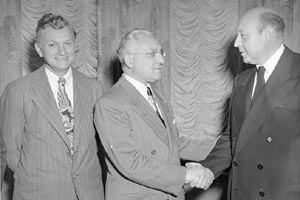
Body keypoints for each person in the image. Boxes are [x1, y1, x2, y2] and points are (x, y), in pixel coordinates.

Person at [194, 7, 300, 200]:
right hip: (242, 191)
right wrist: (205, 168)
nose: (236, 44)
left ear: (267, 35)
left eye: (243, 36)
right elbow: (233, 138)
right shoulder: (242, 81)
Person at [94, 29, 214, 200]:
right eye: (152, 54)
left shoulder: (158, 97)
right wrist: (187, 174)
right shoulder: (110, 103)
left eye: (160, 52)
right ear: (129, 60)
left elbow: (173, 144)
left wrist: (224, 147)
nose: (161, 59)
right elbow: (131, 162)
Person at [0, 13, 104, 200]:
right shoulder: (17, 91)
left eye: (67, 43)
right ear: (39, 50)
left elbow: (100, 143)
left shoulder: (95, 88)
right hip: (39, 193)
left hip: (89, 192)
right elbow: (11, 152)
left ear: (75, 45)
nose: (62, 51)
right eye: (52, 45)